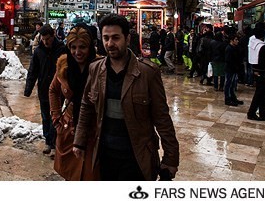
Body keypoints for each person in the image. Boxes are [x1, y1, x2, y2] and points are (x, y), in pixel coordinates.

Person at [73, 14, 179, 181]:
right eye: (106, 38)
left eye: (115, 38)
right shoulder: (95, 69)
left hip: (137, 157)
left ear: (127, 39)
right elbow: (86, 106)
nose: (110, 44)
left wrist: (170, 159)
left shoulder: (147, 73)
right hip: (105, 155)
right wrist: (79, 141)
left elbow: (162, 118)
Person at [49, 25, 97, 180]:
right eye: (73, 47)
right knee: (70, 174)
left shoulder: (100, 66)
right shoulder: (63, 66)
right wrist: (56, 117)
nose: (77, 52)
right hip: (68, 128)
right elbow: (53, 90)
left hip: (92, 129)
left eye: (82, 47)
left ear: (90, 46)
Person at [24, 24, 66, 156]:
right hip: (43, 89)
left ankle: (53, 144)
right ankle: (48, 141)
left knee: (55, 116)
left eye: (47, 39)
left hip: (58, 90)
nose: (45, 42)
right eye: (43, 39)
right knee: (45, 116)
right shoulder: (38, 51)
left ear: (53, 36)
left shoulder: (62, 50)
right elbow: (33, 70)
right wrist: (28, 88)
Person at [246, 24, 265, 121]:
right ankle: (251, 113)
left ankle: (262, 112)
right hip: (262, 72)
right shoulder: (262, 46)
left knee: (263, 93)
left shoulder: (252, 43)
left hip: (255, 69)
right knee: (259, 93)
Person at [224, 34, 243, 106]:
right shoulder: (229, 49)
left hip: (234, 69)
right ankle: (228, 99)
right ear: (231, 40)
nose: (237, 41)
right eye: (236, 40)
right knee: (229, 84)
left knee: (232, 84)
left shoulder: (235, 48)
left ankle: (232, 97)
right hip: (230, 69)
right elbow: (228, 60)